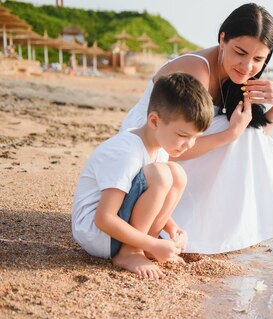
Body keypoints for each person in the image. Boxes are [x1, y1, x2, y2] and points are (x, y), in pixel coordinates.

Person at [121, 3, 273, 254]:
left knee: (249, 136)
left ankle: (231, 229)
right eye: (240, 52)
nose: (247, 66)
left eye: (258, 59)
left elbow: (254, 143)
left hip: (180, 150)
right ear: (222, 39)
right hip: (146, 151)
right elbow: (168, 148)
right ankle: (187, 228)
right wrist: (230, 134)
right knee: (237, 133)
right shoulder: (196, 71)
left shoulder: (237, 80)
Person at [72, 73, 213, 278]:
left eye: (195, 138)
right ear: (154, 121)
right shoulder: (126, 152)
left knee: (177, 174)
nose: (189, 145)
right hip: (98, 234)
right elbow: (104, 218)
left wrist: (172, 228)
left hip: (116, 231)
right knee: (162, 175)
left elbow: (149, 197)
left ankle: (145, 247)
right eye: (183, 135)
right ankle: (131, 251)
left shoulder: (161, 147)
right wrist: (154, 243)